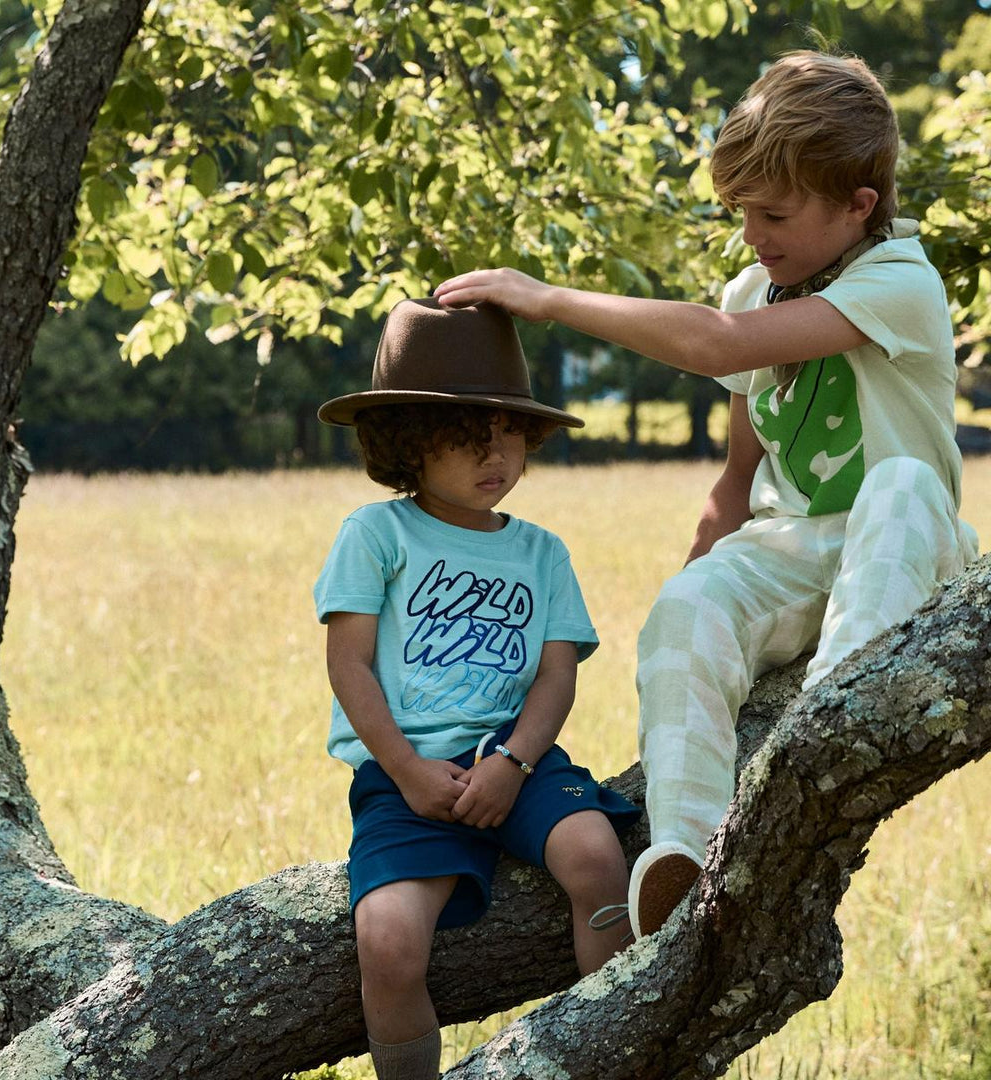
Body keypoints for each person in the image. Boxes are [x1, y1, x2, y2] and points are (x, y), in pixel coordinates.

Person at [433, 50, 979, 941]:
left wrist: (549, 300)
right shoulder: (751, 288)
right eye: (740, 213)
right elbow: (738, 472)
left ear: (857, 207)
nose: (753, 234)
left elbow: (720, 345)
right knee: (685, 608)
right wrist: (700, 577)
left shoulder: (901, 281)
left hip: (904, 541)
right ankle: (683, 856)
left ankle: (827, 729)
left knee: (906, 482)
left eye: (774, 213)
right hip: (796, 542)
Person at [314, 297, 640, 1080]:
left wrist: (516, 765)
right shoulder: (376, 534)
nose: (496, 455)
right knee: (388, 941)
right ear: (409, 443)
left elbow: (557, 674)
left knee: (598, 861)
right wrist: (407, 770)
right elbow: (349, 664)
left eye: (512, 433)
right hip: (404, 774)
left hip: (521, 761)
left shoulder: (541, 551)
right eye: (469, 437)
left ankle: (621, 1050)